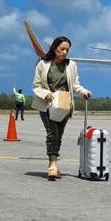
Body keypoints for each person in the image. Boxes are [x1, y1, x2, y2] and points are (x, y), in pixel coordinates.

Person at [31, 36, 91, 180]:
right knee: (52, 133)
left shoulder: (72, 65)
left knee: (59, 135)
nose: (65, 52)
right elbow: (37, 85)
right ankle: (52, 164)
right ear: (54, 48)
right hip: (47, 105)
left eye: (67, 50)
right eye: (62, 49)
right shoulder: (43, 64)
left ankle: (55, 161)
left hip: (64, 104)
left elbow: (75, 84)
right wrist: (46, 94)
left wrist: (83, 91)